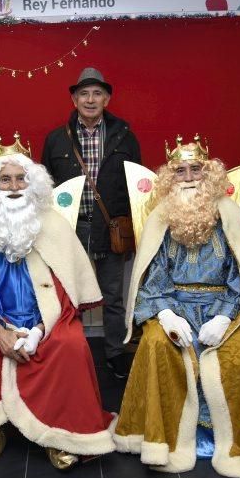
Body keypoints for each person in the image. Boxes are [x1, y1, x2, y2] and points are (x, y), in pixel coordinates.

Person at [0, 141, 114, 478]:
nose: (15, 187)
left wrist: (36, 331)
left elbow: (66, 289)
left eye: (21, 179)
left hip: (47, 321)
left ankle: (59, 432)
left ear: (33, 184)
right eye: (6, 180)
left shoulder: (54, 224)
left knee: (70, 345)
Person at [113, 137, 240, 478]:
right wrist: (165, 315)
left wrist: (224, 317)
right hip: (172, 305)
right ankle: (164, 440)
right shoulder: (160, 219)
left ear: (209, 174)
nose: (189, 177)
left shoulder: (230, 215)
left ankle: (233, 442)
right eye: (180, 171)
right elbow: (152, 276)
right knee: (155, 346)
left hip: (225, 307)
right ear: (170, 177)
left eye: (196, 169)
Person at [41, 67, 141, 379]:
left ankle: (114, 354)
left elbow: (138, 184)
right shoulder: (56, 139)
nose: (90, 99)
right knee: (72, 295)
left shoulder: (125, 135)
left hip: (111, 230)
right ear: (74, 99)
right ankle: (74, 353)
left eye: (97, 93)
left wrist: (130, 224)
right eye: (84, 93)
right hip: (70, 230)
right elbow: (44, 186)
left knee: (113, 298)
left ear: (107, 99)